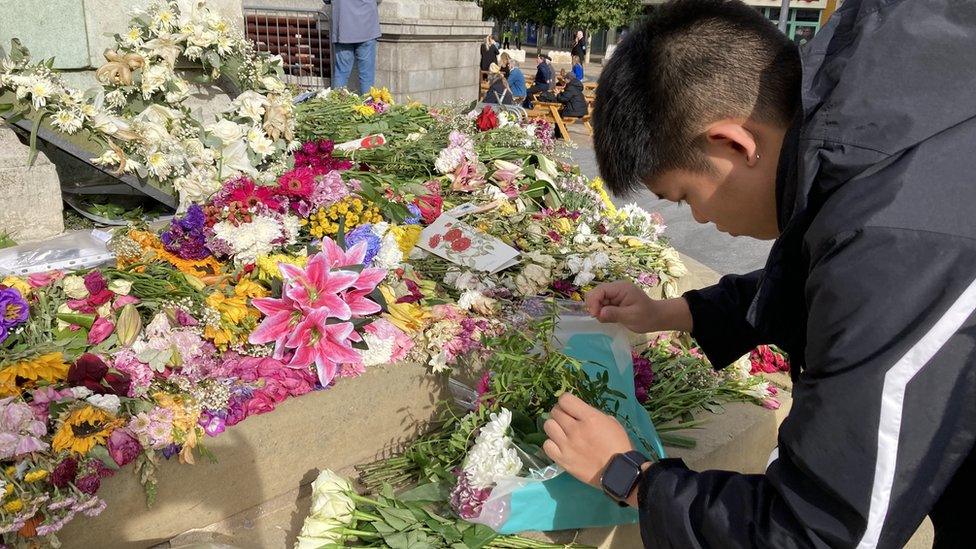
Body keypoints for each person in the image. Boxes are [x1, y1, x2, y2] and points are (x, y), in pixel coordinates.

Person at [543, 0, 976, 548]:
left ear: (733, 144)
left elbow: (817, 532)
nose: (700, 218)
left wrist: (626, 474)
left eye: (685, 197)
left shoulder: (898, 242)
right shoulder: (875, 118)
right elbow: (822, 272)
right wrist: (671, 312)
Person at [330, 0, 380, 94]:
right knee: (366, 75)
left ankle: (336, 105)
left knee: (341, 73)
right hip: (367, 27)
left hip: (343, 28)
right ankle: (367, 107)